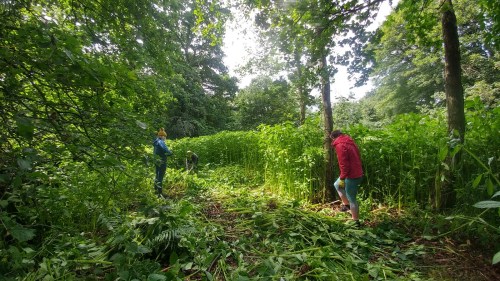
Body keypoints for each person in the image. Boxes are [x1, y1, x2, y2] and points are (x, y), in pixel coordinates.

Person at [330, 130, 364, 227]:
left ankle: (356, 221)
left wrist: (342, 177)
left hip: (352, 175)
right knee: (337, 185)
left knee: (352, 198)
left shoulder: (340, 145)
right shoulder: (349, 141)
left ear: (333, 137)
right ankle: (347, 205)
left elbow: (344, 165)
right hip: (357, 171)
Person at [153, 128, 173, 198]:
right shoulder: (161, 142)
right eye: (164, 136)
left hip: (156, 160)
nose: (165, 138)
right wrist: (170, 152)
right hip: (162, 161)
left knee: (157, 175)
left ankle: (155, 190)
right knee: (160, 176)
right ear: (161, 136)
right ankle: (160, 193)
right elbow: (165, 149)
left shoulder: (155, 142)